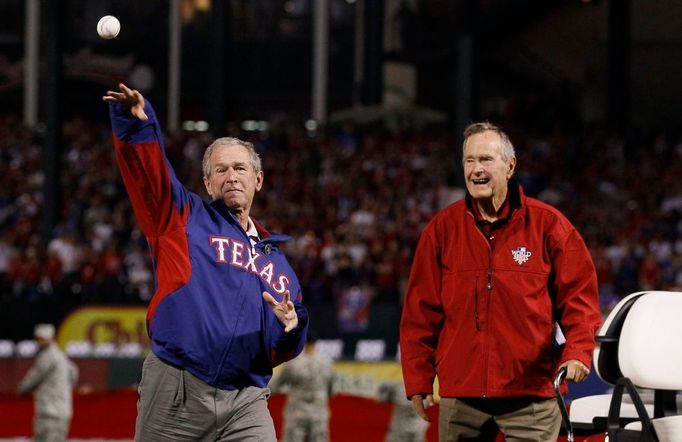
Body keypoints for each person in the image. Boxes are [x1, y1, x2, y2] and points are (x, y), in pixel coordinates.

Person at [102, 83, 309, 441]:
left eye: (241, 168)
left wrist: (292, 326)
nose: (232, 176)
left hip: (246, 399)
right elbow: (149, 179)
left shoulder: (278, 265)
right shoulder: (181, 220)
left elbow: (280, 347)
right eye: (222, 170)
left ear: (258, 180)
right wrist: (136, 124)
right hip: (178, 387)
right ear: (208, 183)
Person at [399, 122, 602, 441]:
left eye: (485, 160)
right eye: (469, 161)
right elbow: (419, 315)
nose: (476, 169)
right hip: (461, 397)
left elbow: (580, 302)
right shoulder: (441, 230)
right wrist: (418, 379)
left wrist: (577, 351)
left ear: (510, 166)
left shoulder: (549, 225)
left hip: (531, 397)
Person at [269, 330, 336, 442]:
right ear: (315, 343)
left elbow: (275, 386)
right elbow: (331, 391)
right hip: (318, 413)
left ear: (303, 342)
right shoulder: (327, 363)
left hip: (296, 413)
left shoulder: (293, 363)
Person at [18, 323, 79, 442]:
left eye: (42, 339)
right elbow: (74, 373)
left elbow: (32, 379)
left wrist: (22, 389)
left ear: (50, 339)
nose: (39, 342)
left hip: (49, 413)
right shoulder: (62, 356)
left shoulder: (48, 356)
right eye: (38, 339)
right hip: (63, 412)